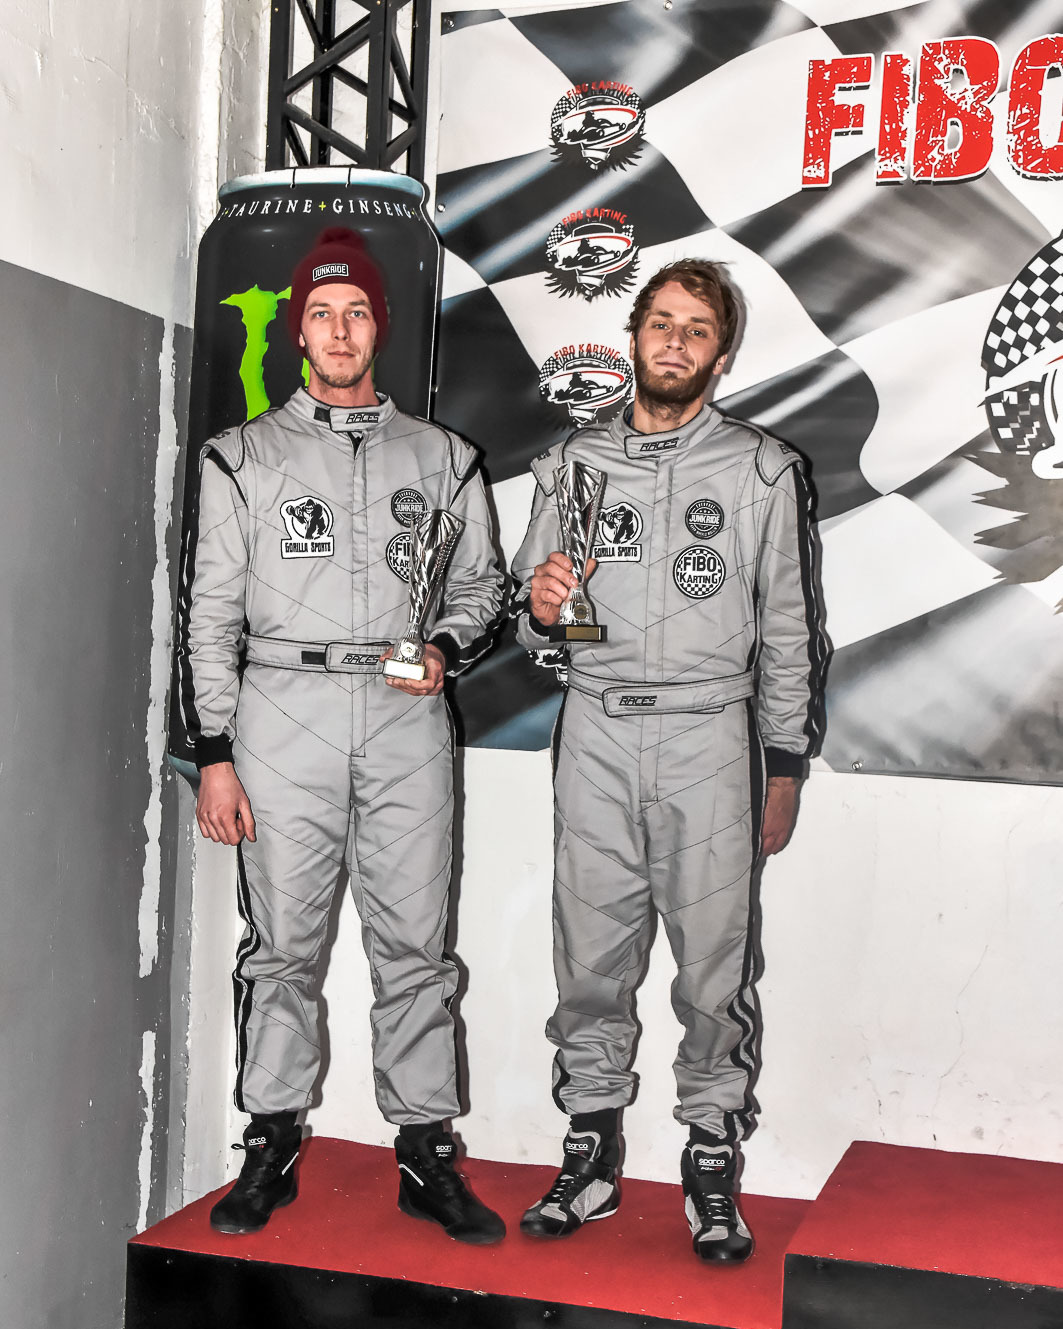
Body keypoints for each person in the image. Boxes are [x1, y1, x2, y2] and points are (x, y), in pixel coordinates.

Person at [178, 227, 505, 1244]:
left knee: (417, 948)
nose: (339, 330)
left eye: (356, 311)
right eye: (320, 313)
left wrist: (444, 646)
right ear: (298, 330)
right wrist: (216, 755)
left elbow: (481, 587)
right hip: (283, 714)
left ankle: (425, 1151)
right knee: (282, 946)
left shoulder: (443, 458)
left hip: (406, 717)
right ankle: (271, 1142)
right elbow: (208, 615)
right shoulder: (242, 457)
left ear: (379, 326)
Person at [511, 259, 828, 1263]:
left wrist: (784, 765)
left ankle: (710, 1156)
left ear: (720, 355)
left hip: (709, 734)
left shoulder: (760, 470)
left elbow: (790, 630)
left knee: (714, 965)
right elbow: (532, 618)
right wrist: (541, 609)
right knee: (588, 957)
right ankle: (591, 1147)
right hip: (597, 729)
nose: (675, 341)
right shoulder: (572, 463)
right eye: (661, 322)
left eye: (697, 329)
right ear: (633, 336)